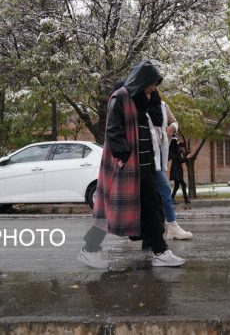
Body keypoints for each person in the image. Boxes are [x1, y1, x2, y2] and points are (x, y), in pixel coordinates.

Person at [78, 60, 185, 268]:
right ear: (142, 80)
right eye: (151, 85)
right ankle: (90, 249)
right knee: (111, 209)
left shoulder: (139, 99)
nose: (152, 90)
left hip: (143, 167)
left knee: (152, 207)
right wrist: (124, 157)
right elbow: (113, 131)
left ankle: (160, 250)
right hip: (125, 167)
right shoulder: (120, 98)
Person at [148, 90, 193, 240]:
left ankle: (171, 226)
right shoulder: (137, 105)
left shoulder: (162, 106)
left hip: (158, 158)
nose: (149, 95)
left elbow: (174, 121)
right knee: (147, 194)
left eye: (151, 91)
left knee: (164, 190)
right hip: (142, 157)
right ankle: (141, 230)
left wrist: (172, 128)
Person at [170, 139, 190, 204]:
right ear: (181, 147)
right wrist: (187, 157)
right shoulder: (177, 152)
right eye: (183, 148)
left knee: (176, 186)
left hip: (176, 172)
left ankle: (171, 199)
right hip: (177, 172)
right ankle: (186, 200)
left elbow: (181, 158)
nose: (183, 149)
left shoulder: (178, 151)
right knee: (183, 185)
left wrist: (185, 154)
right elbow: (180, 160)